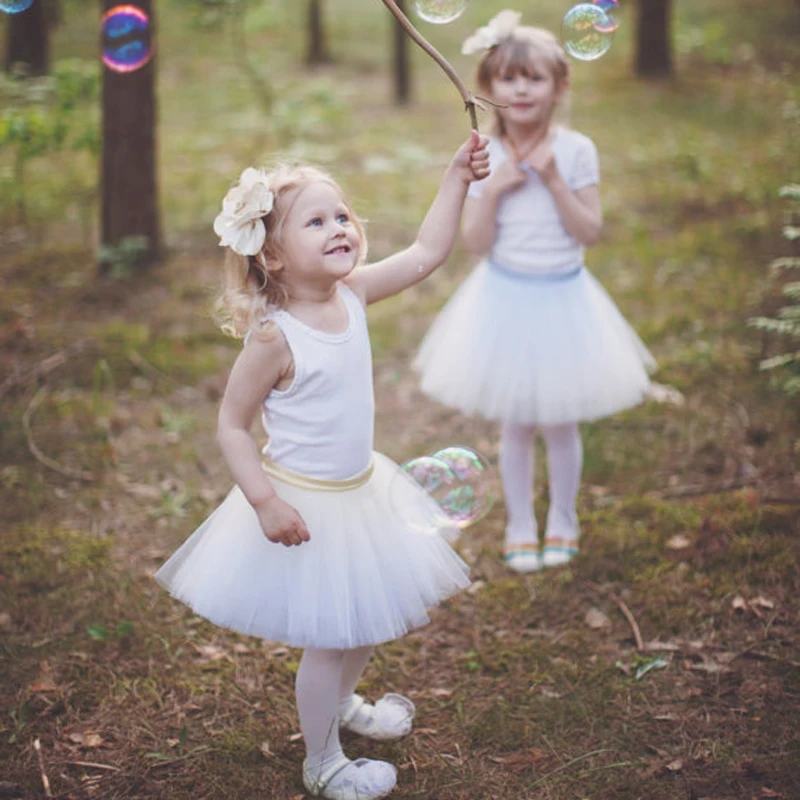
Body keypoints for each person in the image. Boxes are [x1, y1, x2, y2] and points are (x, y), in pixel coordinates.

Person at [155, 131, 489, 800]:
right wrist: (263, 501)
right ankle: (323, 761)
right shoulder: (276, 337)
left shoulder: (355, 294)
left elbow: (428, 252)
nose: (340, 227)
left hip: (363, 490)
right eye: (317, 221)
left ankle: (341, 706)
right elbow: (231, 425)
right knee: (331, 636)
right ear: (274, 255)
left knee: (365, 617)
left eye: (342, 216)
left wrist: (456, 175)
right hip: (306, 503)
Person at [413, 10, 656, 574]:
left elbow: (589, 231)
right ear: (488, 87)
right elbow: (475, 242)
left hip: (564, 298)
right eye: (506, 77)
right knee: (516, 420)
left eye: (534, 77)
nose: (520, 88)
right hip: (505, 300)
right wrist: (494, 189)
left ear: (559, 86)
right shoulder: (485, 154)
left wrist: (551, 179)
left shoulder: (575, 151)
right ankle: (521, 522)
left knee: (561, 420)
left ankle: (564, 517)